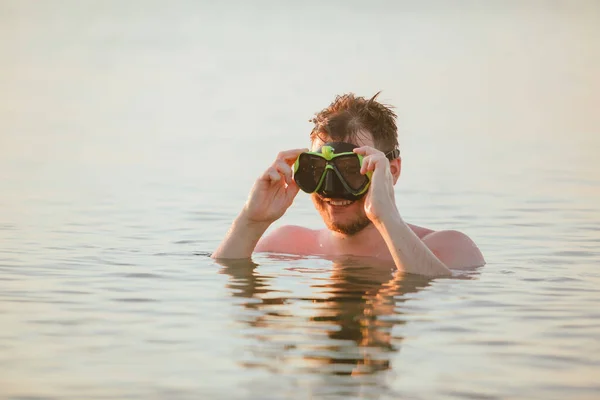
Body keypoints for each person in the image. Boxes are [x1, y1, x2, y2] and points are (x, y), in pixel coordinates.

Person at [212, 92, 485, 277]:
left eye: (351, 169)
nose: (332, 187)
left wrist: (386, 218)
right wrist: (251, 222)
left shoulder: (449, 248)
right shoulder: (286, 244)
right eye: (318, 169)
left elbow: (427, 293)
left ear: (391, 172)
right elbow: (227, 288)